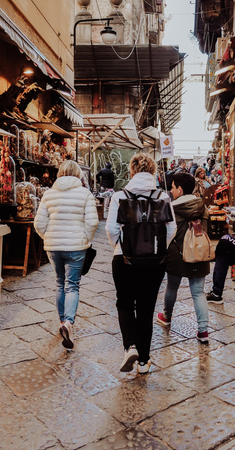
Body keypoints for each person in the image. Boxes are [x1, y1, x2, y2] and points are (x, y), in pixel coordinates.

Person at [106, 154, 177, 373]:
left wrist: (120, 246)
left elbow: (110, 229)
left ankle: (130, 346)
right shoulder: (162, 197)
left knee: (125, 303)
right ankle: (144, 362)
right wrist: (156, 247)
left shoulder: (120, 196)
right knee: (146, 308)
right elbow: (171, 229)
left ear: (132, 172)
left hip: (124, 259)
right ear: (154, 173)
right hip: (154, 262)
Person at [34, 160, 99, 349]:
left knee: (59, 283)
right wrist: (85, 238)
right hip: (76, 247)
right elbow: (93, 222)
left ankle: (62, 321)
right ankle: (68, 323)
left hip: (53, 247)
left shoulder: (48, 194)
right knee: (72, 285)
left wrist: (48, 237)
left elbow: (39, 224)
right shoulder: (84, 194)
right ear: (78, 174)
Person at [156, 173, 211, 343]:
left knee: (172, 287)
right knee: (198, 292)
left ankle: (167, 316)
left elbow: (165, 232)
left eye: (172, 188)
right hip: (198, 252)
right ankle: (203, 331)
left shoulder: (170, 207)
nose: (171, 191)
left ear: (180, 189)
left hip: (176, 253)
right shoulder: (201, 205)